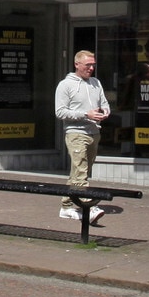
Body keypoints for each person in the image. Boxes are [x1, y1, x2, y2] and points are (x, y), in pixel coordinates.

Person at [53, 50, 110, 224]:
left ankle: (67, 206)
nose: (91, 68)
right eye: (88, 65)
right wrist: (86, 114)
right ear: (77, 64)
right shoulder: (65, 85)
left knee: (79, 171)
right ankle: (88, 206)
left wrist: (105, 112)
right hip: (76, 133)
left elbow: (104, 103)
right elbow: (60, 111)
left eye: (93, 65)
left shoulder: (95, 83)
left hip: (94, 132)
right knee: (81, 170)